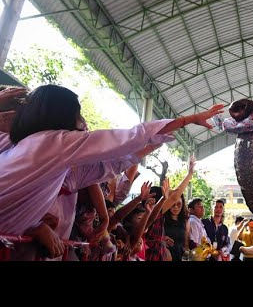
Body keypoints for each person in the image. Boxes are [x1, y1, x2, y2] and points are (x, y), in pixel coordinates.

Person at [0, 84, 223, 259]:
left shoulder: (29, 147)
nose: (84, 123)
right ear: (63, 115)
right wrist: (189, 120)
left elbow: (109, 165)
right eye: (79, 114)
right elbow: (126, 139)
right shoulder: (54, 142)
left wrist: (35, 225)